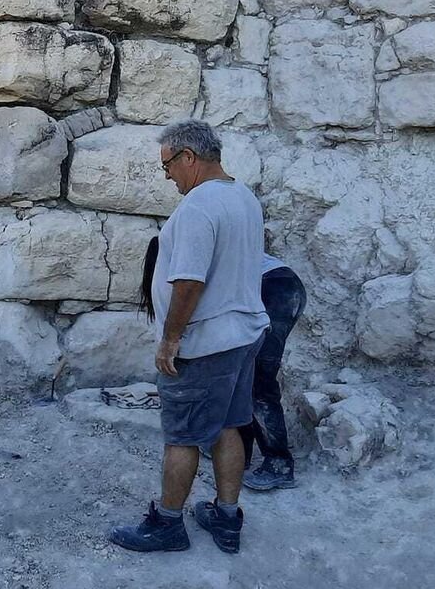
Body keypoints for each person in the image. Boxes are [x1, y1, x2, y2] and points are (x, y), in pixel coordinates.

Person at [109, 119, 267, 555]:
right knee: (229, 425)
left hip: (205, 343)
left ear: (188, 157)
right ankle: (227, 516)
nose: (167, 176)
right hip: (244, 333)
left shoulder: (198, 207)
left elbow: (189, 281)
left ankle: (168, 524)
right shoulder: (244, 197)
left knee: (181, 435)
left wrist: (170, 339)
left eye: (167, 166)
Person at [239, 254, 307, 490]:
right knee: (244, 372)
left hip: (274, 287)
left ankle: (279, 464)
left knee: (259, 378)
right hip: (278, 285)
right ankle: (239, 450)